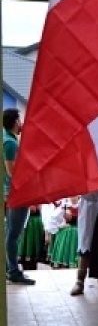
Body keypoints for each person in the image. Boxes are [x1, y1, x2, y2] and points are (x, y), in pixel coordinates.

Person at [3, 108, 34, 286]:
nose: (21, 123)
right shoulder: (9, 143)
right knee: (13, 233)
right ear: (15, 121)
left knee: (10, 232)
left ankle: (10, 268)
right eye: (20, 120)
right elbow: (12, 172)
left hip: (11, 192)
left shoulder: (8, 139)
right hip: (16, 193)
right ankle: (13, 272)